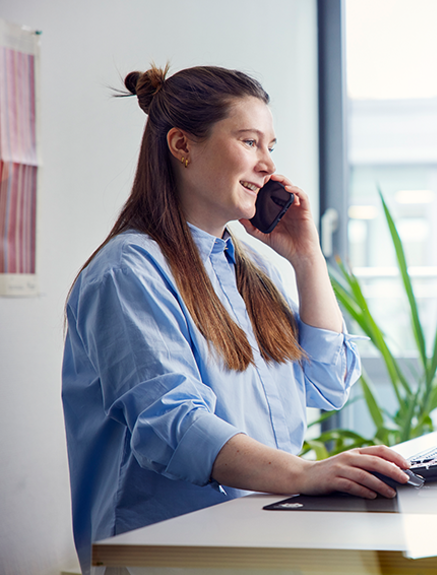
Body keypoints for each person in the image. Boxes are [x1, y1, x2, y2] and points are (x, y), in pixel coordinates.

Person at [61, 64, 411, 574]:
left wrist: (307, 258)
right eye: (250, 142)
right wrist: (303, 473)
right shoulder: (128, 271)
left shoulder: (249, 267)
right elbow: (173, 426)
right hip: (172, 556)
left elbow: (329, 383)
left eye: (271, 146)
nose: (268, 164)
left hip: (261, 539)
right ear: (182, 146)